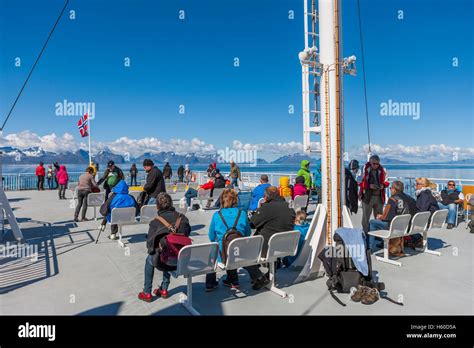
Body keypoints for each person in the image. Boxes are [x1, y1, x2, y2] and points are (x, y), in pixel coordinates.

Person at [138, 192, 191, 302]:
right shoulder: (183, 218)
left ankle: (147, 292)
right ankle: (164, 289)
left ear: (157, 206)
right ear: (171, 203)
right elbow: (187, 234)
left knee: (152, 257)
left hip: (165, 261)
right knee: (171, 250)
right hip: (181, 260)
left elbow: (150, 247)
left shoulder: (155, 222)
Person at [246, 186, 295, 290]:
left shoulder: (266, 207)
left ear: (266, 196)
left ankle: (259, 276)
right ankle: (269, 273)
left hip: (268, 247)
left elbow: (253, 224)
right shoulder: (289, 206)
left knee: (243, 252)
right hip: (286, 246)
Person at [205, 189, 251, 291]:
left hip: (223, 255)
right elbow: (248, 233)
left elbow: (211, 236)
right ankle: (233, 281)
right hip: (239, 252)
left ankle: (210, 283)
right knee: (233, 245)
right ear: (235, 200)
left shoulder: (217, 215)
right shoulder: (242, 214)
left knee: (214, 250)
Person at [367, 181, 417, 254]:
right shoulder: (410, 198)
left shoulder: (392, 199)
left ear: (394, 189)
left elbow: (386, 218)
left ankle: (370, 248)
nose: (390, 190)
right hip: (409, 226)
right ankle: (384, 242)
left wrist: (380, 217)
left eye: (390, 188)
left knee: (372, 222)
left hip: (396, 227)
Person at [359, 155, 389, 234]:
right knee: (366, 217)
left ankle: (378, 235)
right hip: (367, 197)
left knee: (379, 217)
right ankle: (365, 233)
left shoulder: (383, 170)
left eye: (377, 164)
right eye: (373, 164)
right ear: (370, 162)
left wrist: (383, 185)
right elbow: (360, 182)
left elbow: (387, 182)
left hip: (379, 197)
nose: (375, 165)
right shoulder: (364, 170)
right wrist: (369, 186)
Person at [410, 177, 440, 248]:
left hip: (428, 219)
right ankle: (417, 239)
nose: (415, 185)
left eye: (417, 184)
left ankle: (417, 239)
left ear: (422, 185)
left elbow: (423, 210)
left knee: (404, 222)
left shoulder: (424, 194)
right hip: (432, 217)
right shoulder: (429, 192)